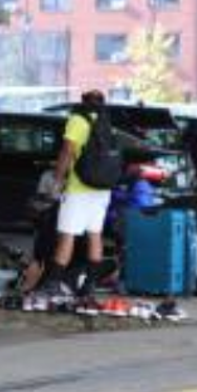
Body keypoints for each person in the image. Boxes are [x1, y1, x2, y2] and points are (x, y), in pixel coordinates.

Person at [51, 90, 115, 296]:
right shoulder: (106, 121)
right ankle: (90, 284)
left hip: (79, 188)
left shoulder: (78, 120)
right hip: (102, 189)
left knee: (67, 234)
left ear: (83, 102)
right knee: (94, 234)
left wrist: (58, 179)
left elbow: (68, 151)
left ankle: (54, 283)